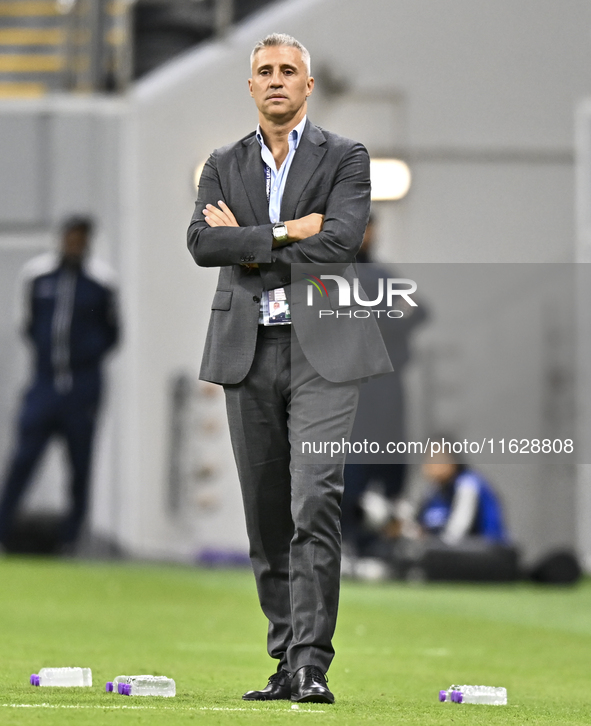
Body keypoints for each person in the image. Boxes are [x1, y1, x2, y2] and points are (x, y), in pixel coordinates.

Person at [187, 33, 392, 704]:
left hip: (322, 352)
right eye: (264, 72)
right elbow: (201, 244)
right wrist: (283, 232)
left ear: (308, 86)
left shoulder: (347, 157)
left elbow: (337, 242)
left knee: (315, 500)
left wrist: (245, 245)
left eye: (288, 71)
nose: (276, 80)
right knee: (266, 517)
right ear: (251, 87)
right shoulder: (221, 164)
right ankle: (284, 659)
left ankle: (311, 663)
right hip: (248, 352)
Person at [0, 216, 119, 553]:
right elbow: (27, 324)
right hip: (43, 384)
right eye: (70, 238)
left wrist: (83, 359)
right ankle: (3, 532)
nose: (74, 244)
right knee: (23, 459)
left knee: (80, 466)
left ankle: (71, 540)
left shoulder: (101, 282)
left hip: (83, 389)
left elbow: (113, 333)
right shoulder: (37, 276)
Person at [341, 216, 427, 560]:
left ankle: (384, 544)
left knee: (390, 464)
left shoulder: (382, 276)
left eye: (370, 228)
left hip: (385, 388)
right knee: (349, 466)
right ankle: (348, 543)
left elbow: (419, 311)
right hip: (352, 388)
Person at [418, 450, 507, 544]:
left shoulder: (468, 484)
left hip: (490, 549)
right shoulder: (433, 491)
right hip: (454, 552)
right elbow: (421, 527)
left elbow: (456, 533)